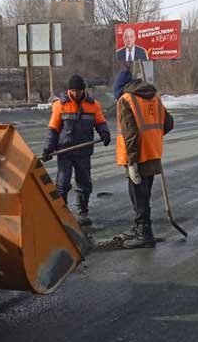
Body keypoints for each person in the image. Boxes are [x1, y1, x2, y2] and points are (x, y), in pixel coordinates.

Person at [43, 75, 111, 226]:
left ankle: (83, 211)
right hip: (65, 151)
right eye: (72, 91)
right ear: (69, 90)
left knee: (84, 182)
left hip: (83, 151)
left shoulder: (93, 105)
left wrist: (104, 133)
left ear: (83, 90)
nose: (75, 93)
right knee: (62, 182)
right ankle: (62, 212)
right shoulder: (59, 105)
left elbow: (100, 122)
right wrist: (48, 147)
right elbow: (53, 129)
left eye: (78, 91)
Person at [116, 77, 174, 249]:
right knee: (144, 194)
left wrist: (132, 162)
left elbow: (130, 133)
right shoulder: (154, 97)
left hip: (138, 157)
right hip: (153, 153)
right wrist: (153, 137)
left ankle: (144, 233)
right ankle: (140, 227)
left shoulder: (126, 100)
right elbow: (169, 123)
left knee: (137, 195)